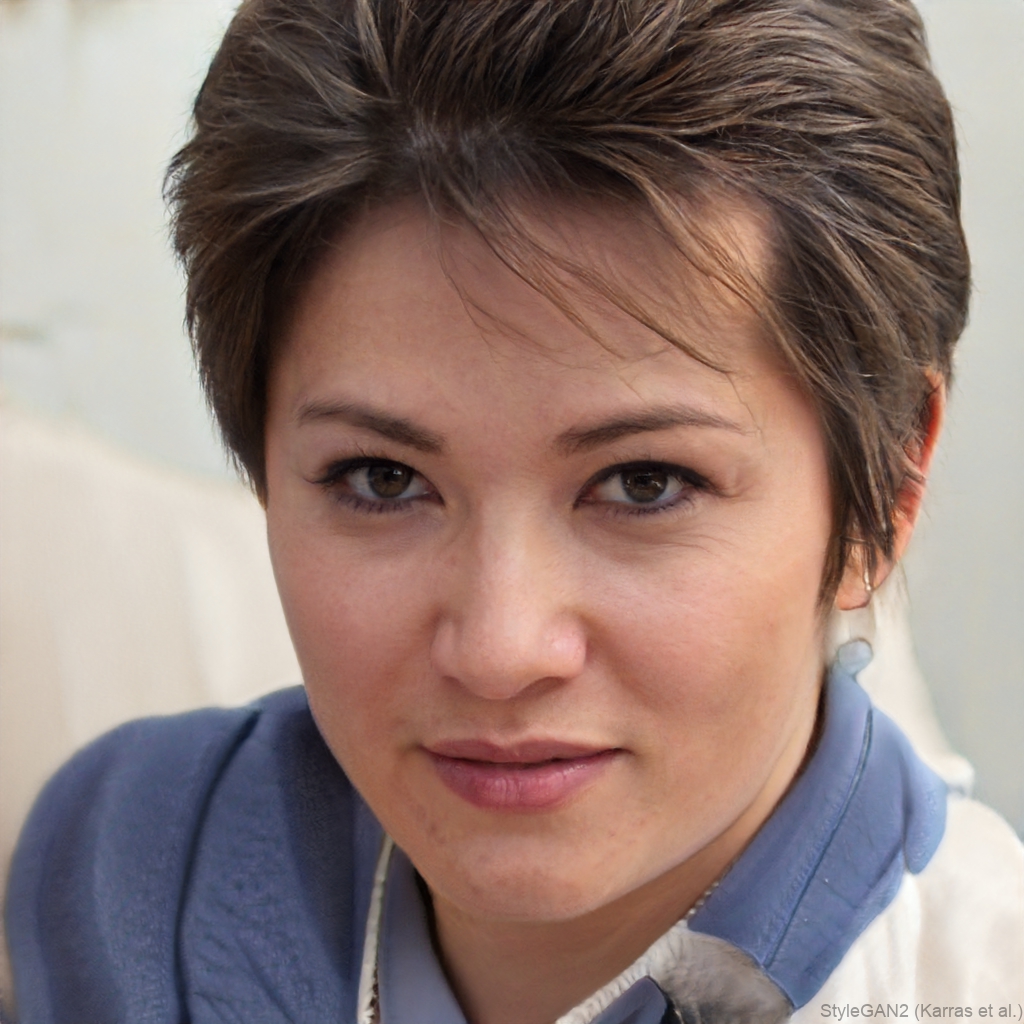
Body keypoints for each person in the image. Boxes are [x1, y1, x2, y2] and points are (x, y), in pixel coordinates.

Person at [6, 1, 1022, 1021]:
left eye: (643, 483)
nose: (499, 650)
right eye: (382, 478)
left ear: (888, 490)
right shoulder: (125, 867)